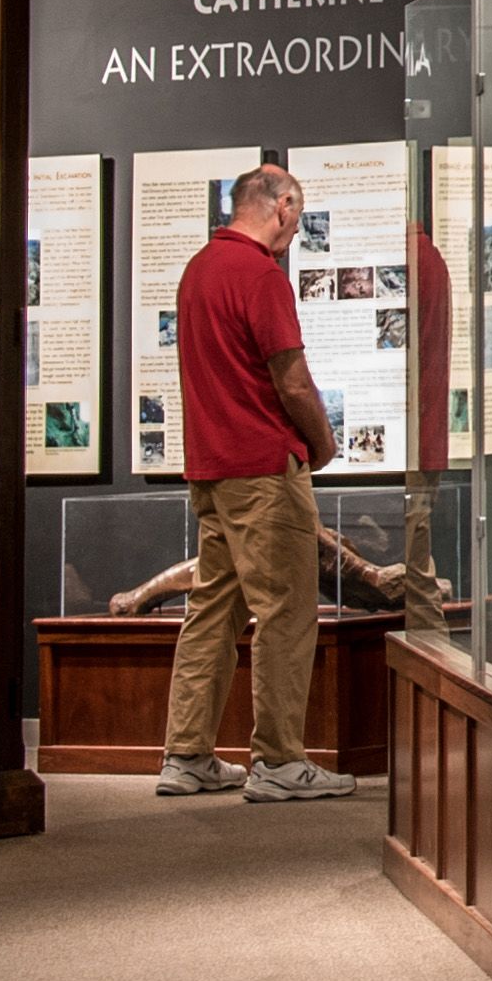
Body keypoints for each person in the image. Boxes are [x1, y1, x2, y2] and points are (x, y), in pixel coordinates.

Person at [160, 163, 354, 801]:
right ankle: (276, 761)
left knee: (212, 610)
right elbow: (292, 380)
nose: (296, 232)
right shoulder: (259, 276)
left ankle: (186, 755)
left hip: (211, 471)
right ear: (282, 206)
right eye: (296, 219)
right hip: (264, 472)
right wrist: (321, 447)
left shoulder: (199, 270)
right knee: (287, 611)